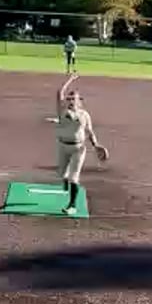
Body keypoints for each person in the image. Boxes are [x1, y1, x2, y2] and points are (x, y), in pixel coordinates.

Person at [47, 74, 109, 217]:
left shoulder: (85, 115)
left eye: (73, 98)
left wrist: (96, 145)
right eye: (68, 98)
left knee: (74, 177)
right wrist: (70, 79)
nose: (70, 100)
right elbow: (59, 92)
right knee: (62, 174)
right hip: (63, 147)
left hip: (78, 149)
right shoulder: (62, 111)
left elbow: (89, 132)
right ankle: (65, 179)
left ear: (79, 101)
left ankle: (72, 206)